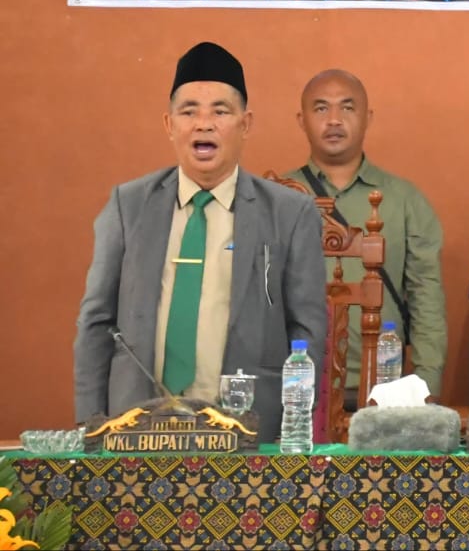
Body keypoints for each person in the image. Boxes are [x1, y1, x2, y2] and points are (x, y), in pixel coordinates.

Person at [74, 42, 327, 442]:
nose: (203, 124)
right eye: (189, 111)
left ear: (245, 124)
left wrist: (292, 428)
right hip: (134, 429)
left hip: (248, 430)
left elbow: (308, 330)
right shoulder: (128, 206)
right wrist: (89, 426)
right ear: (169, 124)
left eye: (220, 112)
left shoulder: (289, 213)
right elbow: (96, 322)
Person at [290, 69, 448, 399]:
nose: (334, 120)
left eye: (347, 107)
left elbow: (426, 297)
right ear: (301, 120)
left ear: (368, 118)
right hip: (295, 390)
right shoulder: (279, 197)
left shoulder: (404, 200)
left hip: (383, 388)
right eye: (321, 108)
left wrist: (425, 387)